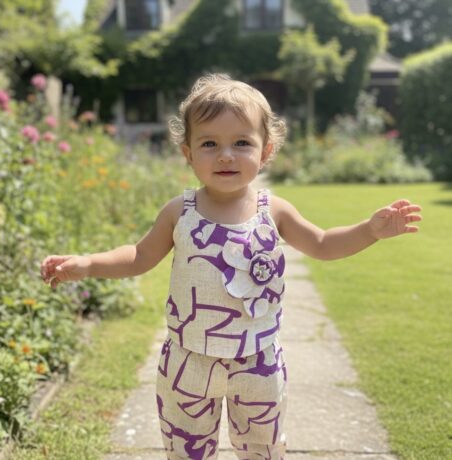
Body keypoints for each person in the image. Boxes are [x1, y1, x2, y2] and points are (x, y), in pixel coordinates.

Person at [40, 74, 422, 459]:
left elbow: (322, 244)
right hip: (188, 360)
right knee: (186, 450)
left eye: (241, 142)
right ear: (188, 153)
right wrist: (88, 264)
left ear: (265, 151)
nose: (225, 155)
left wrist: (369, 230)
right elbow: (139, 256)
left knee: (263, 449)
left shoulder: (273, 211)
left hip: (258, 362)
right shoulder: (179, 212)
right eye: (209, 143)